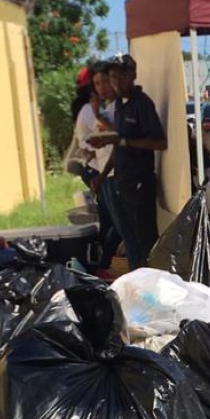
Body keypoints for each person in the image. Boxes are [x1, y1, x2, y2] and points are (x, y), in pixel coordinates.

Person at [88, 54, 167, 270]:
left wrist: (121, 140)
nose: (117, 82)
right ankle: (137, 283)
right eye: (113, 77)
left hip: (140, 183)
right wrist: (102, 176)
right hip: (122, 184)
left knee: (145, 242)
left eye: (122, 76)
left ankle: (151, 283)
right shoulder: (120, 106)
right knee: (130, 240)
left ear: (132, 75)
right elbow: (118, 147)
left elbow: (160, 142)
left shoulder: (142, 104)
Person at [73, 60, 123, 274]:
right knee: (114, 223)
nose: (103, 87)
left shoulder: (102, 108)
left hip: (106, 170)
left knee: (113, 222)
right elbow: (93, 138)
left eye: (106, 82)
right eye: (98, 83)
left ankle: (104, 264)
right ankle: (104, 265)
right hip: (100, 171)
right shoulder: (89, 109)